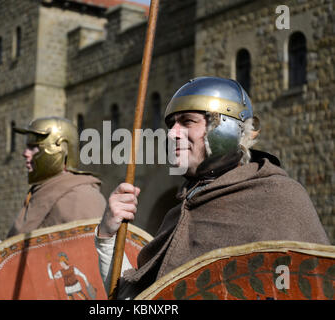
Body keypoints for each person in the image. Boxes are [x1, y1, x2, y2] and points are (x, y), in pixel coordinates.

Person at [94, 76, 330, 299]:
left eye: (187, 121)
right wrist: (108, 235)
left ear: (224, 127)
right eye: (171, 124)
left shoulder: (281, 199)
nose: (172, 134)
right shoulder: (181, 213)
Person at [0, 116, 106, 250]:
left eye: (33, 147)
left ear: (60, 148)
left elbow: (87, 260)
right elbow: (28, 259)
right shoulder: (43, 191)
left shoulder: (81, 196)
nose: (25, 153)